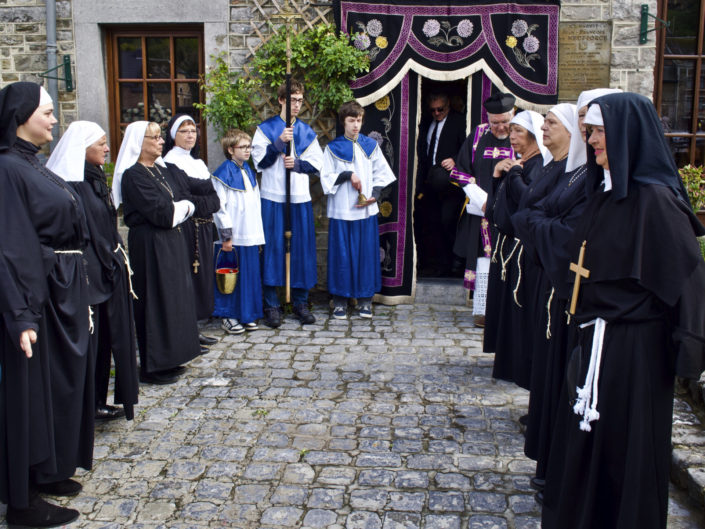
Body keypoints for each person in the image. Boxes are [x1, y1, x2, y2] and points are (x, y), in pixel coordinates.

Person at [542, 92, 705, 529]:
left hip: (636, 353)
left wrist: (686, 353)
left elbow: (687, 280)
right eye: (590, 131)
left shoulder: (656, 201)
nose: (590, 139)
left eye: (598, 131)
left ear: (627, 134)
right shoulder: (603, 192)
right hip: (595, 339)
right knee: (585, 446)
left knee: (624, 451)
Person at [514, 89, 620, 496]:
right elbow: (532, 215)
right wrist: (541, 223)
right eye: (582, 123)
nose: (587, 135)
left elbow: (562, 230)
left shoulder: (591, 180)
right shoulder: (578, 172)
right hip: (559, 288)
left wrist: (539, 223)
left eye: (592, 126)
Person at [0, 82, 91, 526]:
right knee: (27, 395)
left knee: (54, 385)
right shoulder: (6, 169)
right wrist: (20, 313)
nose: (55, 119)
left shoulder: (30, 163)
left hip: (57, 288)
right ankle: (23, 499)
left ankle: (49, 467)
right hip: (34, 294)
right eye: (48, 112)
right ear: (21, 116)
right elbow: (9, 245)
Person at [46, 121, 139, 423]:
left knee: (103, 343)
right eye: (101, 143)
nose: (107, 148)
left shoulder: (95, 178)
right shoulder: (72, 184)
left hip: (105, 272)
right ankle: (84, 405)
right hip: (88, 274)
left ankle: (98, 398)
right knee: (90, 341)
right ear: (82, 148)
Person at [112, 121, 218, 385]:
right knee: (154, 300)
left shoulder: (159, 171)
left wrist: (181, 206)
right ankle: (153, 366)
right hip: (150, 244)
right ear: (140, 142)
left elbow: (180, 201)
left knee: (172, 299)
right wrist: (185, 207)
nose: (161, 142)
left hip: (171, 241)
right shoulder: (133, 175)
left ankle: (170, 358)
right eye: (155, 138)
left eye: (161, 137)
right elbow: (163, 212)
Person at [486, 110, 552, 390]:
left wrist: (512, 173)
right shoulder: (522, 162)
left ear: (534, 136)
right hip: (505, 243)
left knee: (516, 308)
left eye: (518, 132)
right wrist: (499, 173)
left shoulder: (536, 165)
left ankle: (515, 364)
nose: (511, 136)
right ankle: (506, 359)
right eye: (510, 131)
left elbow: (527, 198)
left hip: (519, 248)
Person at [252, 80, 323, 327]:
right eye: (292, 100)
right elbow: (259, 163)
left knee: (301, 249)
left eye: (300, 100)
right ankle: (271, 304)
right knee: (272, 249)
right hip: (272, 197)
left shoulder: (306, 132)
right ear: (281, 100)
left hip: (299, 199)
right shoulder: (265, 129)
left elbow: (318, 164)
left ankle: (300, 302)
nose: (297, 105)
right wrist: (278, 143)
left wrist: (299, 164)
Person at [321, 101, 396, 319]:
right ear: (343, 121)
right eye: (351, 120)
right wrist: (347, 175)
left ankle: (364, 300)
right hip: (342, 211)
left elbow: (382, 173)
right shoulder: (333, 149)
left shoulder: (370, 146)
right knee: (341, 256)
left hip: (365, 212)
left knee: (365, 255)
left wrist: (376, 194)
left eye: (359, 120)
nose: (356, 125)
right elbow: (325, 179)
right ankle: (340, 301)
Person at [452, 92, 515, 327]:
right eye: (495, 122)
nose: (500, 127)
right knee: (484, 260)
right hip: (482, 212)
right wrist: (482, 200)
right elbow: (460, 172)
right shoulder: (478, 135)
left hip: (512, 212)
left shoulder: (523, 135)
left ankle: (508, 312)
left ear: (513, 115)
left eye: (504, 121)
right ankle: (483, 310)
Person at [163, 114, 219, 347]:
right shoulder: (170, 162)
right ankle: (186, 332)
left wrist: (205, 201)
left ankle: (194, 327)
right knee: (188, 279)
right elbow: (184, 198)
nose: (190, 136)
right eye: (184, 131)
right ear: (173, 135)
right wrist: (206, 201)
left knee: (202, 278)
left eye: (193, 131)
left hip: (204, 229)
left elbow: (215, 200)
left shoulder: (197, 162)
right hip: (187, 229)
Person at [211, 129, 265, 333]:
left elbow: (254, 204)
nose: (248, 150)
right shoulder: (222, 174)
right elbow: (220, 208)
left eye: (249, 146)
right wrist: (226, 236)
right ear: (230, 149)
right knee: (230, 275)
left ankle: (247, 314)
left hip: (250, 234)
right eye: (243, 147)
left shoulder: (248, 171)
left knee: (249, 276)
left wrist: (258, 235)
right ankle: (229, 316)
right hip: (233, 237)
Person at [414, 92, 467, 277]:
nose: (436, 113)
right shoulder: (427, 123)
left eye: (440, 109)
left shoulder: (459, 121)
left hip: (451, 185)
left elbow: (467, 148)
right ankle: (439, 264)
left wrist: (455, 160)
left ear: (448, 106)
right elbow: (422, 153)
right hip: (430, 184)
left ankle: (456, 263)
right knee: (431, 224)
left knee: (448, 221)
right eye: (433, 110)